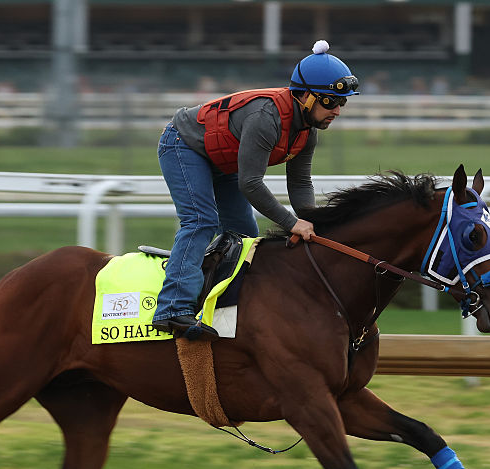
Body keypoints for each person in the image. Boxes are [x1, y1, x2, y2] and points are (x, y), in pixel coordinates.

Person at [151, 40, 359, 340]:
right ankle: (171, 307)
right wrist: (291, 223)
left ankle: (225, 307)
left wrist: (316, 223)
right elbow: (249, 183)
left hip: (222, 160)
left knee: (243, 233)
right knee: (201, 220)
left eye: (343, 103)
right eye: (330, 102)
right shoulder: (266, 118)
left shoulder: (306, 133)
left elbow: (300, 185)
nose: (337, 111)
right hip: (184, 145)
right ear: (304, 96)